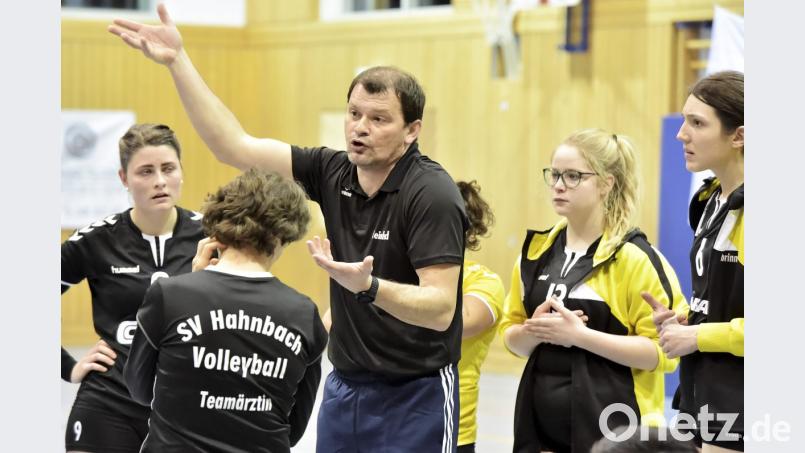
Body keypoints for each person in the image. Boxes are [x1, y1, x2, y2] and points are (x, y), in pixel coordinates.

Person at [109, 6, 467, 452]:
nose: (360, 128)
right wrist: (177, 61)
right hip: (347, 385)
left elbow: (440, 310)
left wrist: (368, 286)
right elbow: (232, 146)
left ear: (412, 130)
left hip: (416, 391)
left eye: (378, 119)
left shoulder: (431, 193)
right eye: (354, 113)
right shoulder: (333, 170)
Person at [498, 128, 688, 453]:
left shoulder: (636, 258)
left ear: (605, 183)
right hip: (539, 430)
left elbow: (664, 354)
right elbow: (511, 339)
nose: (559, 185)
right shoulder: (534, 254)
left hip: (617, 432)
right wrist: (535, 331)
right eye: (555, 174)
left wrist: (580, 337)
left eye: (573, 176)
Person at [123, 169, 327, 452]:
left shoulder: (169, 296)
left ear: (219, 227)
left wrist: (195, 279)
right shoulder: (304, 314)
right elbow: (294, 429)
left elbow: (139, 390)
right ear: (284, 235)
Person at [60, 123, 205, 452]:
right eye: (145, 171)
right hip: (109, 403)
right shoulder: (96, 241)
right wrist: (68, 366)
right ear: (124, 178)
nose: (159, 181)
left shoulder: (211, 237)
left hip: (186, 409)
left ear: (181, 171)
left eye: (168, 168)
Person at [643, 70, 744, 452]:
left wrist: (698, 336)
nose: (681, 134)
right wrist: (688, 320)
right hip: (700, 397)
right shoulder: (709, 200)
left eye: (697, 123)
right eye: (684, 119)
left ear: (739, 136)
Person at [453, 180, 505, 453]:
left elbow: (460, 323)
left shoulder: (483, 282)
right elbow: (333, 323)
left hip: (451, 429)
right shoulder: (398, 273)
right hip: (386, 422)